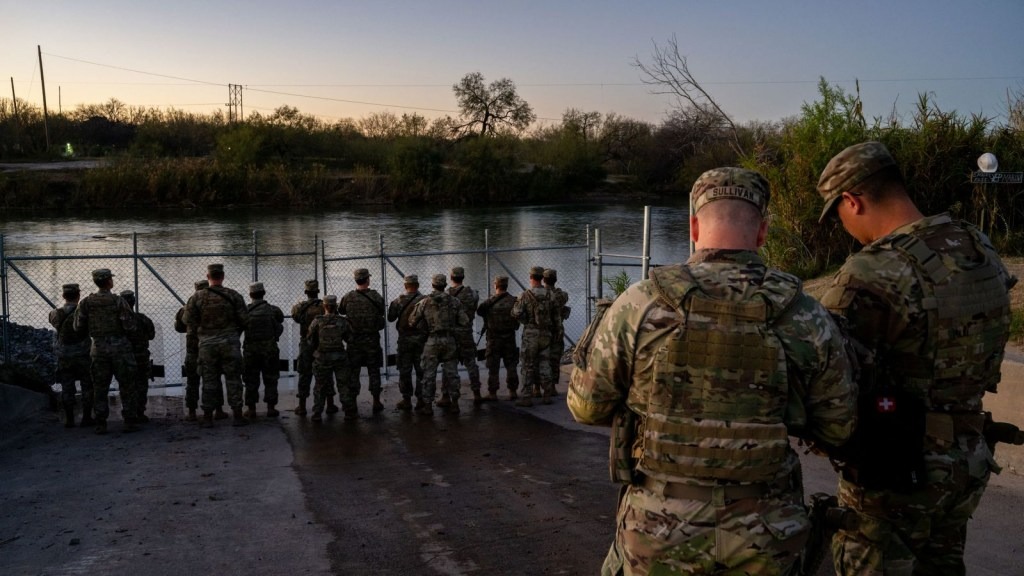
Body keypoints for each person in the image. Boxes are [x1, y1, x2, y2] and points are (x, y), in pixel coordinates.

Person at [568, 167, 857, 575]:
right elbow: (838, 426)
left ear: (693, 226)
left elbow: (586, 407)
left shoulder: (640, 303)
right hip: (766, 533)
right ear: (762, 232)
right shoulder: (805, 312)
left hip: (657, 530)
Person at [816, 141, 1017, 575]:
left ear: (852, 201)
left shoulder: (872, 270)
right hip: (967, 458)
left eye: (839, 214)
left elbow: (827, 374)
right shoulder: (977, 245)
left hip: (896, 469)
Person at [73, 268, 139, 434]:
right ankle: (129, 421)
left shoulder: (86, 302)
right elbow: (130, 326)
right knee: (126, 385)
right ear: (109, 281)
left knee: (100, 387)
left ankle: (101, 422)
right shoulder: (118, 301)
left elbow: (78, 326)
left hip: (98, 348)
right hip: (120, 349)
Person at [183, 263, 249, 427]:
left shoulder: (197, 297)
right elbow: (245, 321)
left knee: (209, 380)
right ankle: (238, 415)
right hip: (230, 343)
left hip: (207, 345)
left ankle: (207, 417)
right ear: (223, 276)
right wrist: (233, 332)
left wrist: (203, 330)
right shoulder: (234, 296)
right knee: (233, 379)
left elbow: (187, 321)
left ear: (208, 277)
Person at [409, 274, 468, 415]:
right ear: (445, 285)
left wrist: (424, 326)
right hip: (449, 340)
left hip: (432, 341)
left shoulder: (424, 302)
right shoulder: (454, 302)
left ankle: (428, 406)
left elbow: (412, 322)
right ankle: (455, 404)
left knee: (429, 374)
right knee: (452, 373)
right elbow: (464, 321)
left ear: (433, 285)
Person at [175, 280, 226, 421]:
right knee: (214, 380)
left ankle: (192, 412)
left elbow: (179, 327)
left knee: (192, 382)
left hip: (193, 351)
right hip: (210, 349)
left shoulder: (185, 309)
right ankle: (218, 410)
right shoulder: (214, 306)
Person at [339, 268, 386, 413]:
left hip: (354, 342)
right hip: (372, 340)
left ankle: (352, 402)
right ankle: (376, 401)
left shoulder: (348, 297)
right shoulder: (376, 296)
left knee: (354, 372)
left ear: (356, 280)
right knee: (374, 371)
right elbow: (382, 311)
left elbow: (341, 311)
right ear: (367, 280)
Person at [511, 266, 558, 407]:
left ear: (531, 277)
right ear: (542, 278)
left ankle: (526, 397)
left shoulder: (525, 295)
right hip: (546, 334)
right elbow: (556, 317)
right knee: (545, 364)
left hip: (530, 335)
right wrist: (557, 331)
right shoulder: (551, 295)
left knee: (527, 365)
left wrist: (525, 321)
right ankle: (547, 394)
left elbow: (516, 313)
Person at [48, 283, 94, 428]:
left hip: (65, 357)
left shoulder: (55, 314)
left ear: (63, 296)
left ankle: (69, 419)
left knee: (67, 388)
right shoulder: (85, 314)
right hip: (84, 355)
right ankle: (86, 418)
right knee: (88, 386)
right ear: (78, 295)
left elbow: (53, 323)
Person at [307, 295, 353, 421]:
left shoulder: (317, 321)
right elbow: (350, 339)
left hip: (322, 357)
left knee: (320, 386)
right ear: (336, 306)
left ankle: (317, 413)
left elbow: (310, 341)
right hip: (340, 357)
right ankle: (348, 411)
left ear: (324, 306)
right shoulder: (342, 321)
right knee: (343, 384)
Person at [242, 282, 285, 418]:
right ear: (264, 293)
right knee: (271, 378)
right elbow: (280, 321)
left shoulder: (245, 311)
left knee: (251, 379)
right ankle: (271, 408)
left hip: (251, 351)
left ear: (250, 295)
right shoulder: (273, 310)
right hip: (269, 349)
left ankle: (251, 409)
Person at [387, 274, 428, 411]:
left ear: (405, 286)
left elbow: (391, 318)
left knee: (405, 370)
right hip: (422, 340)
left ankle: (406, 400)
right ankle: (421, 399)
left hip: (405, 340)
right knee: (421, 370)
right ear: (418, 286)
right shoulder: (425, 300)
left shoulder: (399, 301)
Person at [476, 275, 520, 401]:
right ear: (506, 286)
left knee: (493, 367)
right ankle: (513, 391)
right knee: (511, 365)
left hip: (494, 339)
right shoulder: (514, 301)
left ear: (495, 285)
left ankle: (493, 393)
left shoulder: (489, 302)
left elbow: (479, 311)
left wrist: (491, 299)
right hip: (509, 338)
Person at [443, 266, 483, 405]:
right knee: (471, 364)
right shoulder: (472, 293)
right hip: (466, 333)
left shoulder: (446, 295)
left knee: (449, 365)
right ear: (463, 277)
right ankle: (477, 393)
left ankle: (446, 396)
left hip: (451, 335)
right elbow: (474, 308)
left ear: (451, 277)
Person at [291, 279, 325, 416]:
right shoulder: (324, 306)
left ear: (306, 292)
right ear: (318, 291)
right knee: (324, 374)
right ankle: (329, 404)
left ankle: (302, 406)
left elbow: (296, 317)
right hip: (322, 343)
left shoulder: (300, 307)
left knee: (304, 373)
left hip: (306, 343)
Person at [120, 290, 156, 423]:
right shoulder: (143, 319)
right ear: (134, 302)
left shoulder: (117, 321)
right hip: (141, 356)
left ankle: (128, 414)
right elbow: (151, 335)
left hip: (124, 357)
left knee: (126, 386)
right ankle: (140, 412)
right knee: (141, 385)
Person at [542, 268, 570, 396]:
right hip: (557, 330)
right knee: (554, 359)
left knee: (540, 358)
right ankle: (552, 387)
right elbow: (564, 297)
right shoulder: (561, 295)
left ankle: (537, 388)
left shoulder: (539, 295)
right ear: (555, 280)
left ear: (543, 280)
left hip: (542, 331)